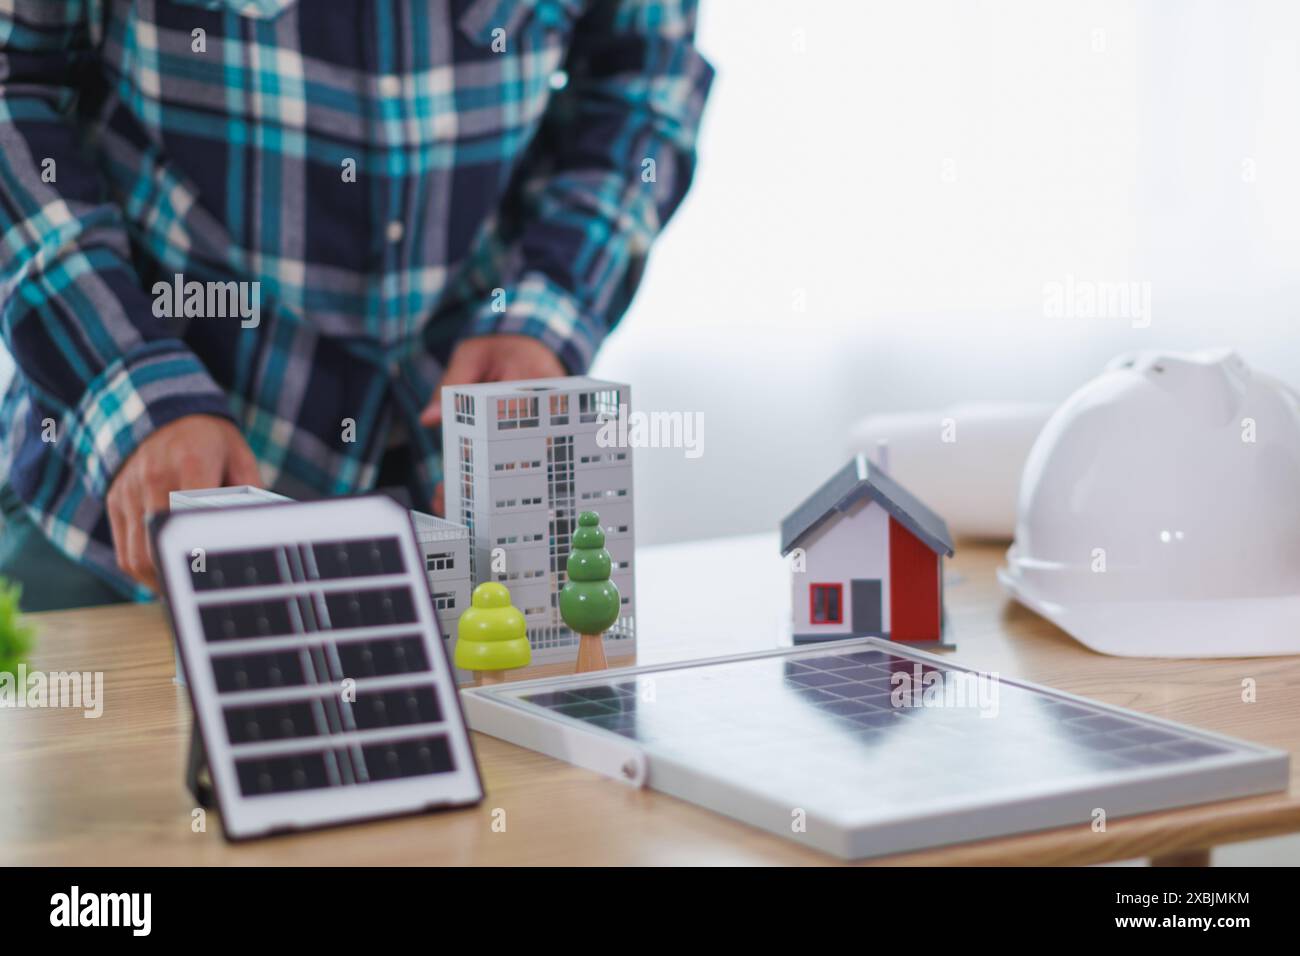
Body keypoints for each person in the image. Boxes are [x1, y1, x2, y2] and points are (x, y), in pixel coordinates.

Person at [0, 0, 712, 610]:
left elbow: (642, 82)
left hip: (454, 530)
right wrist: (125, 378)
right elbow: (15, 83)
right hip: (123, 523)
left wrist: (547, 310)